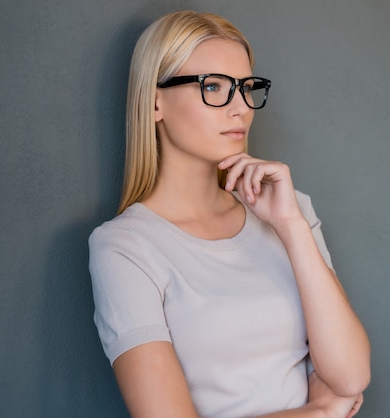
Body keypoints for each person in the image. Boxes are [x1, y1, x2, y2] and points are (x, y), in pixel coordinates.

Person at [89, 10, 370, 418]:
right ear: (154, 101)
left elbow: (350, 376)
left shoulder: (291, 209)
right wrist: (322, 413)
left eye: (246, 87)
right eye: (214, 86)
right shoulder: (125, 248)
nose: (240, 107)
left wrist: (291, 225)